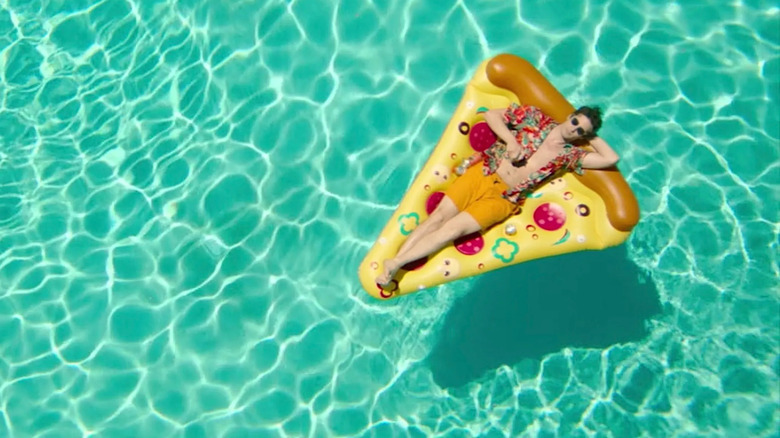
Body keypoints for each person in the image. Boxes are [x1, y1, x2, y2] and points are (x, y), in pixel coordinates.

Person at [375, 103, 620, 286]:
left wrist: (592, 135)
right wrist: (511, 141)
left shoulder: (570, 155)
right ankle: (395, 263)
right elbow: (490, 115)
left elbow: (611, 158)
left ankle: (395, 264)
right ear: (570, 116)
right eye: (575, 122)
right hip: (484, 172)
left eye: (581, 132)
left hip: (504, 199)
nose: (574, 129)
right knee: (438, 217)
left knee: (452, 230)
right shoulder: (535, 118)